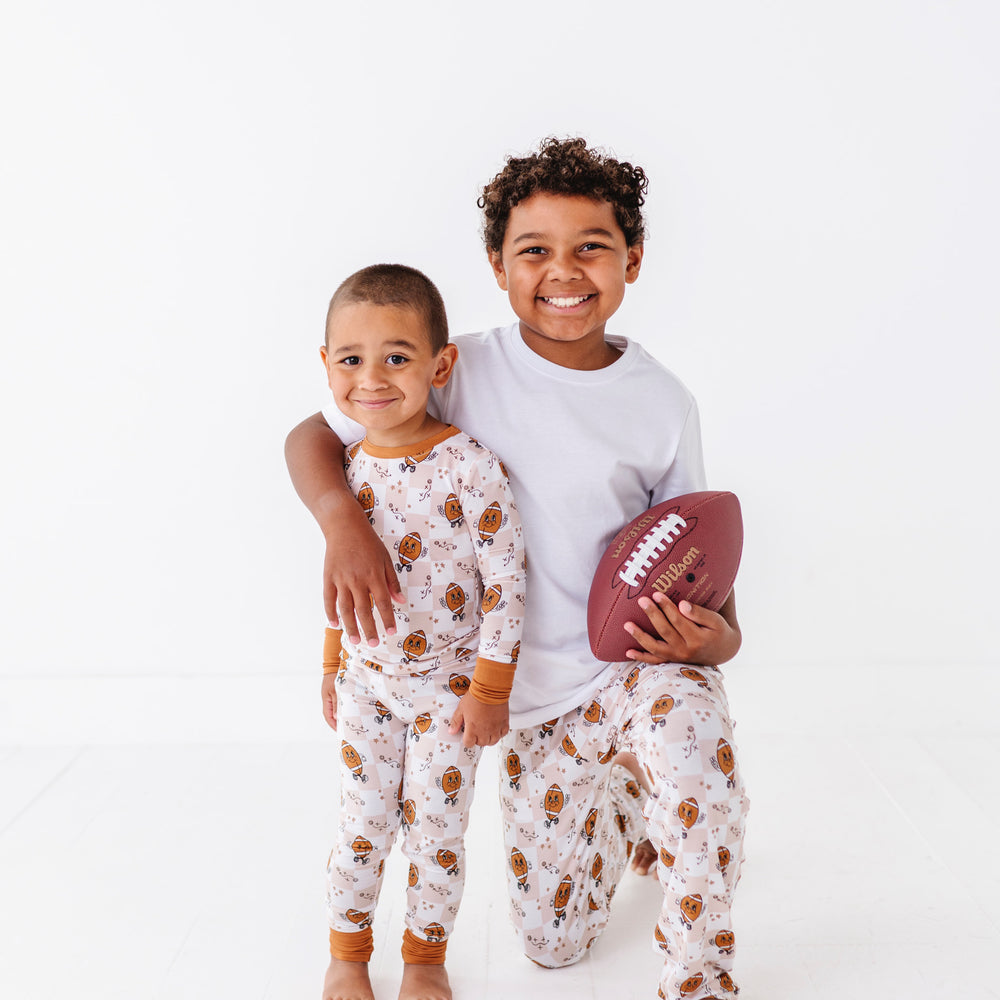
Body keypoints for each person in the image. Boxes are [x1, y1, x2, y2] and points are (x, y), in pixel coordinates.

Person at [287, 140, 748, 1000]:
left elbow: (700, 558)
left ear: (631, 261)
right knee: (552, 945)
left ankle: (700, 975)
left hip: (626, 671)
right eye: (534, 249)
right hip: (513, 708)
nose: (563, 271)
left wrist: (716, 641)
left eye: (592, 247)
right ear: (498, 266)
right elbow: (312, 436)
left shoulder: (661, 403)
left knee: (695, 747)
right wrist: (339, 522)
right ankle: (624, 807)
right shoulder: (450, 367)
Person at [312, 263, 526, 1000]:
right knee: (363, 825)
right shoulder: (346, 469)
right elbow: (344, 584)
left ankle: (425, 959)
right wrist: (331, 664)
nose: (371, 378)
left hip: (450, 691)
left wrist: (491, 690)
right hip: (367, 686)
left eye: (396, 357)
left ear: (440, 365)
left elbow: (507, 585)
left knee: (435, 833)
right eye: (351, 360)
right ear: (326, 365)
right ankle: (346, 954)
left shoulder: (469, 468)